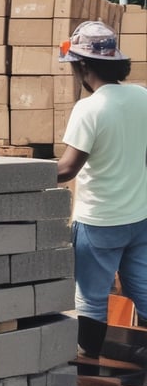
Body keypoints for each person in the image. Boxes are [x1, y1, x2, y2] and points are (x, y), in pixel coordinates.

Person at [56, 20, 147, 359]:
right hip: (139, 217)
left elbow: (67, 168)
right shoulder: (142, 96)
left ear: (81, 65)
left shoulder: (89, 108)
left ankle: (89, 364)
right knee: (144, 290)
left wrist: (19, 177)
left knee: (92, 299)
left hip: (99, 222)